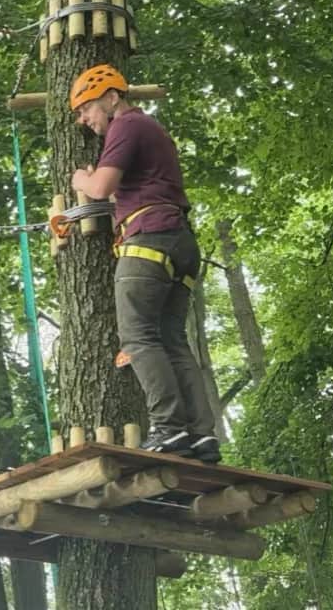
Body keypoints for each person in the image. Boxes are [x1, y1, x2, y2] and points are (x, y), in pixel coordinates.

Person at [68, 63, 221, 463]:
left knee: (138, 338)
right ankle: (201, 436)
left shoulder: (127, 125)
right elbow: (131, 192)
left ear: (112, 97)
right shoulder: (152, 132)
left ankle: (169, 430)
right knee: (172, 341)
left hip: (149, 241)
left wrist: (80, 180)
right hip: (179, 242)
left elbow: (101, 188)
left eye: (86, 108)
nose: (85, 121)